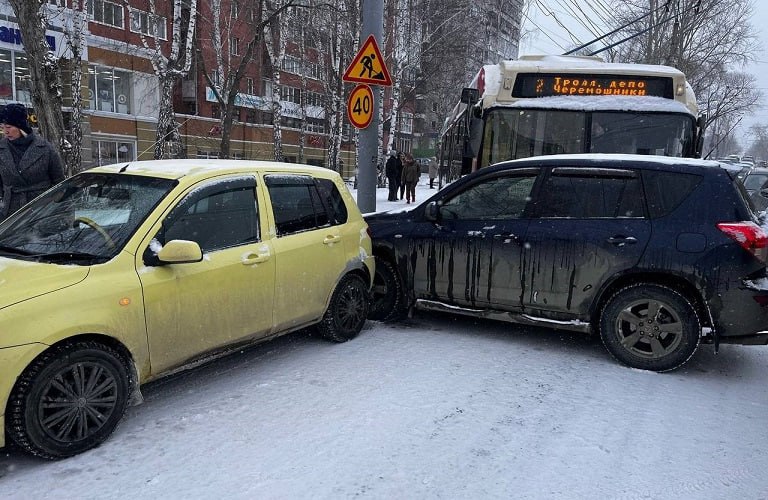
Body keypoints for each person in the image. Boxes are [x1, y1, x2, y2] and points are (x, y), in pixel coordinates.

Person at [0, 103, 65, 221]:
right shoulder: (1, 149)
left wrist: (57, 212)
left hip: (41, 212)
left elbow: (59, 184)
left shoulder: (45, 148)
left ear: (20, 126)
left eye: (9, 127)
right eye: (2, 127)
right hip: (10, 214)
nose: (5, 131)